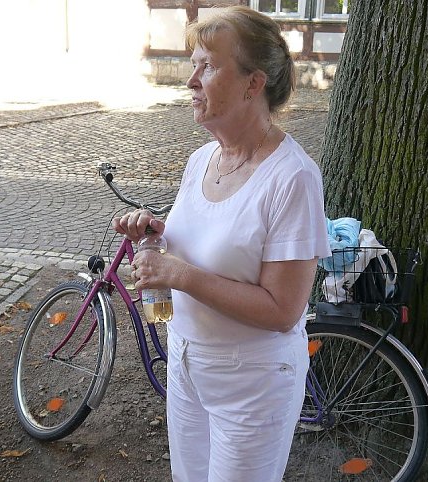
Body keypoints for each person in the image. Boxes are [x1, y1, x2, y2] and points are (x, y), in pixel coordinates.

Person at [112, 6, 330, 481]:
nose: (191, 80)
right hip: (187, 365)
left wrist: (181, 275)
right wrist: (156, 234)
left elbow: (282, 310)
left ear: (254, 83)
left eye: (207, 66)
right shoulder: (201, 159)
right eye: (194, 64)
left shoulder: (293, 178)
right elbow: (213, 238)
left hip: (252, 383)